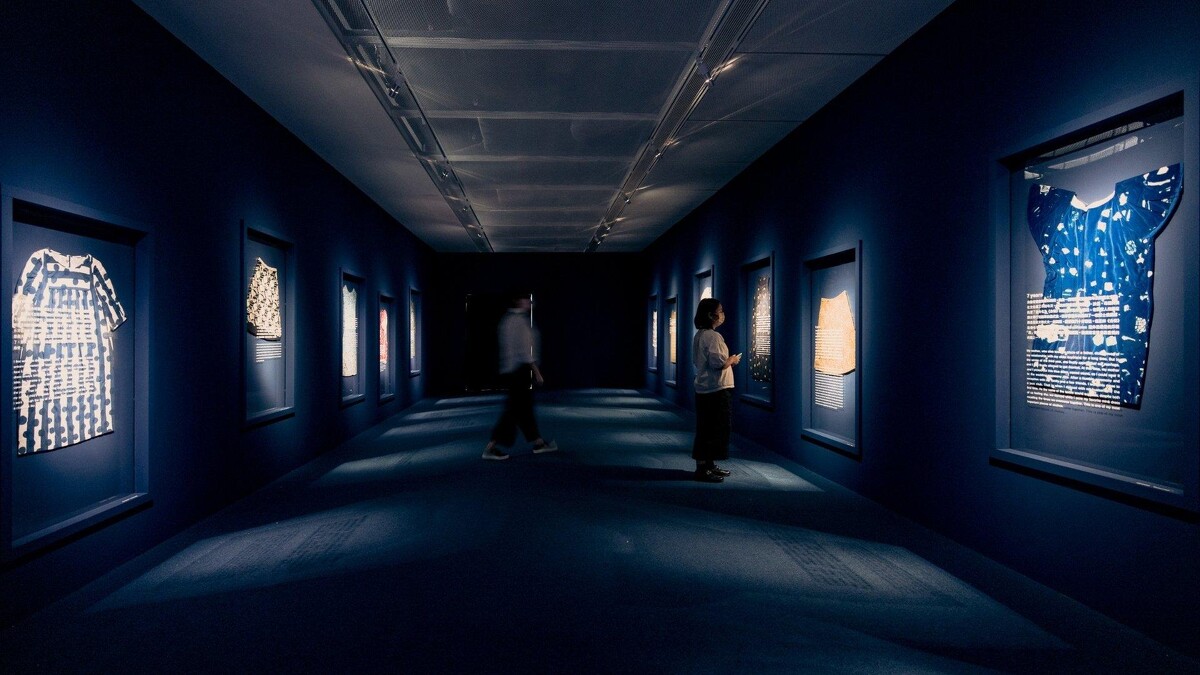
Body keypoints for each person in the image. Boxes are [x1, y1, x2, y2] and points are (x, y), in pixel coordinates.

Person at [482, 295, 558, 460]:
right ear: (518, 301)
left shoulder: (508, 320)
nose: (530, 302)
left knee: (523, 409)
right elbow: (525, 351)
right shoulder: (518, 321)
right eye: (526, 299)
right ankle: (490, 448)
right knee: (514, 410)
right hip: (520, 371)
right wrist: (537, 372)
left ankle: (538, 443)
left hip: (514, 371)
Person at [691, 298, 739, 482]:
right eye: (720, 311)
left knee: (708, 428)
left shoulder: (700, 335)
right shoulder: (713, 336)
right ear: (711, 315)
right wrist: (732, 360)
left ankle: (708, 465)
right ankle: (703, 469)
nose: (722, 314)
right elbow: (718, 363)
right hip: (715, 389)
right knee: (713, 429)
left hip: (705, 388)